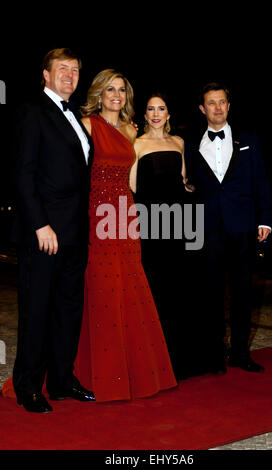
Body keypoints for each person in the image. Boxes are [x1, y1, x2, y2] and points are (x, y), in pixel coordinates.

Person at [1, 48, 95, 412]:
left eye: (74, 70)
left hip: (75, 231)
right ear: (45, 74)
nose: (69, 75)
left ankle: (61, 380)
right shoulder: (31, 111)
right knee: (37, 309)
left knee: (68, 309)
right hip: (44, 233)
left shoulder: (75, 116)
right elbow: (23, 174)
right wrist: (40, 224)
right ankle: (28, 386)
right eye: (62, 69)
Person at [74, 71, 177, 402]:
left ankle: (132, 371)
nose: (116, 95)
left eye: (121, 90)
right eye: (110, 90)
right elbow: (77, 173)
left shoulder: (132, 130)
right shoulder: (88, 125)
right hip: (96, 214)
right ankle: (97, 374)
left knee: (128, 286)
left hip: (126, 214)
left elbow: (136, 176)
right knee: (101, 288)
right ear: (99, 94)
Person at [184, 82, 272, 375]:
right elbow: (188, 184)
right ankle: (214, 351)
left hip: (243, 225)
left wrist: (265, 219)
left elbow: (260, 180)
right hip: (207, 227)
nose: (218, 107)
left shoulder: (249, 139)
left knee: (243, 290)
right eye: (211, 103)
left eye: (222, 102)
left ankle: (240, 353)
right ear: (202, 108)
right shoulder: (190, 142)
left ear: (229, 106)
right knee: (210, 292)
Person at [130, 93, 191, 379]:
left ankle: (177, 356)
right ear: (144, 114)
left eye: (161, 108)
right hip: (150, 226)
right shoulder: (137, 144)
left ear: (169, 114)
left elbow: (183, 184)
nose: (156, 113)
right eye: (151, 109)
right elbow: (131, 189)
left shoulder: (179, 143)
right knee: (154, 288)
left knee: (177, 287)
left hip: (177, 225)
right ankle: (152, 357)